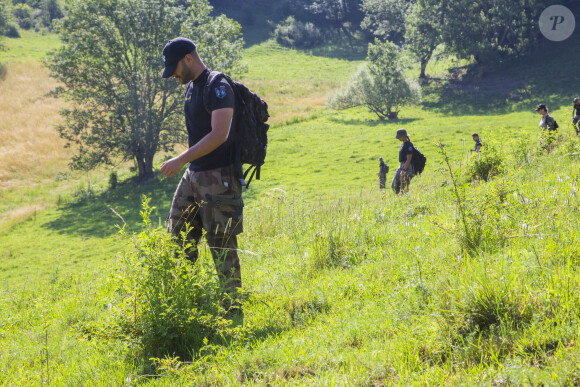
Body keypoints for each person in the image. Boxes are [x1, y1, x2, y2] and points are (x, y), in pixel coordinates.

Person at [160, 37, 243, 313]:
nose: (172, 74)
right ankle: (184, 305)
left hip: (219, 177)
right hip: (194, 175)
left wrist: (181, 159)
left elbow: (220, 134)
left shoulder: (217, 86)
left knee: (221, 246)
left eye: (174, 67)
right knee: (178, 237)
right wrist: (187, 164)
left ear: (189, 59)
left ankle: (232, 311)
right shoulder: (191, 88)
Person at [391, 129, 415, 194]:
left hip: (407, 167)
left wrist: (404, 170)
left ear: (403, 136)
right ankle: (399, 198)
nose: (398, 138)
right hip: (402, 166)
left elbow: (409, 159)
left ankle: (404, 199)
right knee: (394, 185)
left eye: (399, 137)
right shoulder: (404, 144)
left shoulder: (408, 145)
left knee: (403, 187)